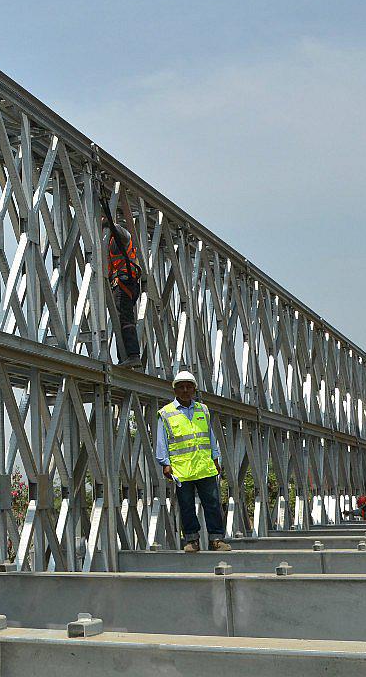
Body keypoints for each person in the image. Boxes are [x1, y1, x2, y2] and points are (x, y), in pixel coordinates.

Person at [157, 371, 232, 552]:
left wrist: (215, 458)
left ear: (194, 390)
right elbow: (161, 440)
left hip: (204, 465)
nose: (185, 390)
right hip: (182, 469)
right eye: (181, 387)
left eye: (189, 387)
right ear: (175, 390)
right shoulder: (166, 413)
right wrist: (165, 463)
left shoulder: (203, 410)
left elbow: (209, 436)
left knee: (212, 504)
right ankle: (192, 540)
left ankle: (216, 539)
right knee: (186, 506)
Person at [100, 191, 143, 367]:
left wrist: (108, 222)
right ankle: (124, 357)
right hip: (123, 284)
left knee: (125, 320)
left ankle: (132, 355)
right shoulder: (108, 244)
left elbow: (124, 234)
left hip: (125, 283)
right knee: (120, 320)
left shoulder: (120, 238)